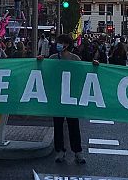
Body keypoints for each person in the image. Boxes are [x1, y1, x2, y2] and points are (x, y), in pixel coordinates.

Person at [39, 33, 95, 164]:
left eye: (61, 42)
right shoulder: (53, 58)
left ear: (67, 45)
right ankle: (60, 151)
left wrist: (94, 66)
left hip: (71, 96)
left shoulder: (75, 59)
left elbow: (83, 74)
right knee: (58, 124)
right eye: (58, 42)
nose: (58, 45)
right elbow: (46, 72)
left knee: (73, 124)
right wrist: (40, 62)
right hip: (57, 96)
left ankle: (77, 151)